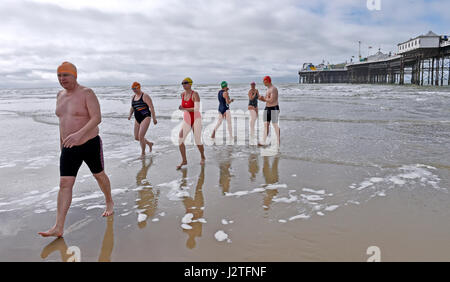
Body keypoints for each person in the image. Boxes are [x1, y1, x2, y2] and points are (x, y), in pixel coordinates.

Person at [39, 62, 114, 238]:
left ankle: (109, 201)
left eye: (65, 75)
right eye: (59, 76)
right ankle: (58, 226)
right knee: (65, 183)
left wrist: (79, 135)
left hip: (90, 144)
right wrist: (61, 145)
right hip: (68, 147)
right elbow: (62, 122)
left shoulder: (87, 93)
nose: (62, 79)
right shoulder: (59, 95)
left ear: (75, 76)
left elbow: (97, 118)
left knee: (99, 175)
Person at [177, 77, 206, 169]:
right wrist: (182, 108)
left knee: (197, 141)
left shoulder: (195, 94)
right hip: (187, 119)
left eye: (185, 83)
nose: (183, 85)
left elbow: (196, 109)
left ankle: (202, 156)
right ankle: (184, 160)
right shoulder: (182, 95)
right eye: (182, 83)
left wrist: (184, 109)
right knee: (180, 140)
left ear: (190, 84)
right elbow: (184, 107)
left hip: (196, 119)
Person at [128, 82, 157, 156]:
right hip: (137, 118)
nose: (134, 90)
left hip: (146, 117)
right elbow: (132, 107)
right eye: (133, 89)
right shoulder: (133, 97)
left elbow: (152, 107)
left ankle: (143, 153)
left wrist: (154, 119)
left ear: (139, 87)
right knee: (137, 137)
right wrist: (130, 115)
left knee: (141, 136)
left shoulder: (145, 96)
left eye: (135, 88)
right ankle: (149, 144)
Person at [258, 76, 280, 147]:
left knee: (275, 125)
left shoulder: (274, 89)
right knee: (266, 125)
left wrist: (264, 99)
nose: (263, 83)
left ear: (267, 81)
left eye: (264, 81)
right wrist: (261, 99)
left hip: (274, 108)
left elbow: (272, 100)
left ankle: (278, 141)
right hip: (267, 108)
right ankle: (264, 141)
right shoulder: (268, 89)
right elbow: (267, 99)